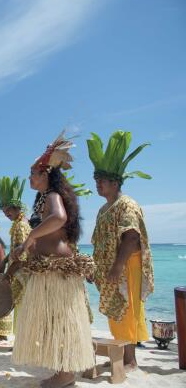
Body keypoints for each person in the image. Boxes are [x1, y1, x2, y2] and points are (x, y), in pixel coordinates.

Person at [11, 131, 94, 388]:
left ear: (45, 174)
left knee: (59, 320)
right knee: (52, 320)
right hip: (47, 267)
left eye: (33, 173)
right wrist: (28, 244)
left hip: (56, 268)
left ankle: (66, 373)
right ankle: (62, 371)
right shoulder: (41, 199)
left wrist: (30, 238)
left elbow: (59, 219)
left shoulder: (52, 197)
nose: (29, 178)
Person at [88, 130, 154, 370]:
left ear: (115, 183)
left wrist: (117, 265)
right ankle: (118, 356)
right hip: (111, 269)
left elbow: (131, 237)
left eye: (101, 181)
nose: (97, 185)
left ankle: (130, 360)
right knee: (115, 312)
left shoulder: (126, 204)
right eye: (96, 181)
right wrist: (94, 269)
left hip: (126, 265)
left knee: (127, 309)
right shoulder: (104, 209)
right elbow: (100, 241)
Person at [0, 176, 31, 339]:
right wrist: (5, 261)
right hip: (24, 274)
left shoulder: (20, 226)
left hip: (21, 275)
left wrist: (8, 274)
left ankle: (21, 342)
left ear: (16, 207)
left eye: (8, 210)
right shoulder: (24, 223)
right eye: (4, 212)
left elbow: (20, 257)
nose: (7, 214)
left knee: (21, 306)